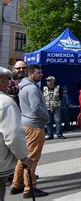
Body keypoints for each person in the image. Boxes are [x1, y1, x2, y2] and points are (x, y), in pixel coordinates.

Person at [11, 65, 49, 198]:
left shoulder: (24, 87)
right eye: (39, 72)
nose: (41, 75)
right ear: (31, 74)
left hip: (27, 124)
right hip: (34, 126)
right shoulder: (32, 88)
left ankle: (17, 184)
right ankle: (30, 188)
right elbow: (36, 108)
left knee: (24, 157)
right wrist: (47, 117)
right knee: (32, 158)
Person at [0, 67, 32, 201]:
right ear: (1, 80)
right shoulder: (5, 102)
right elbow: (13, 136)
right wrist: (24, 157)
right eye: (8, 79)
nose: (9, 82)